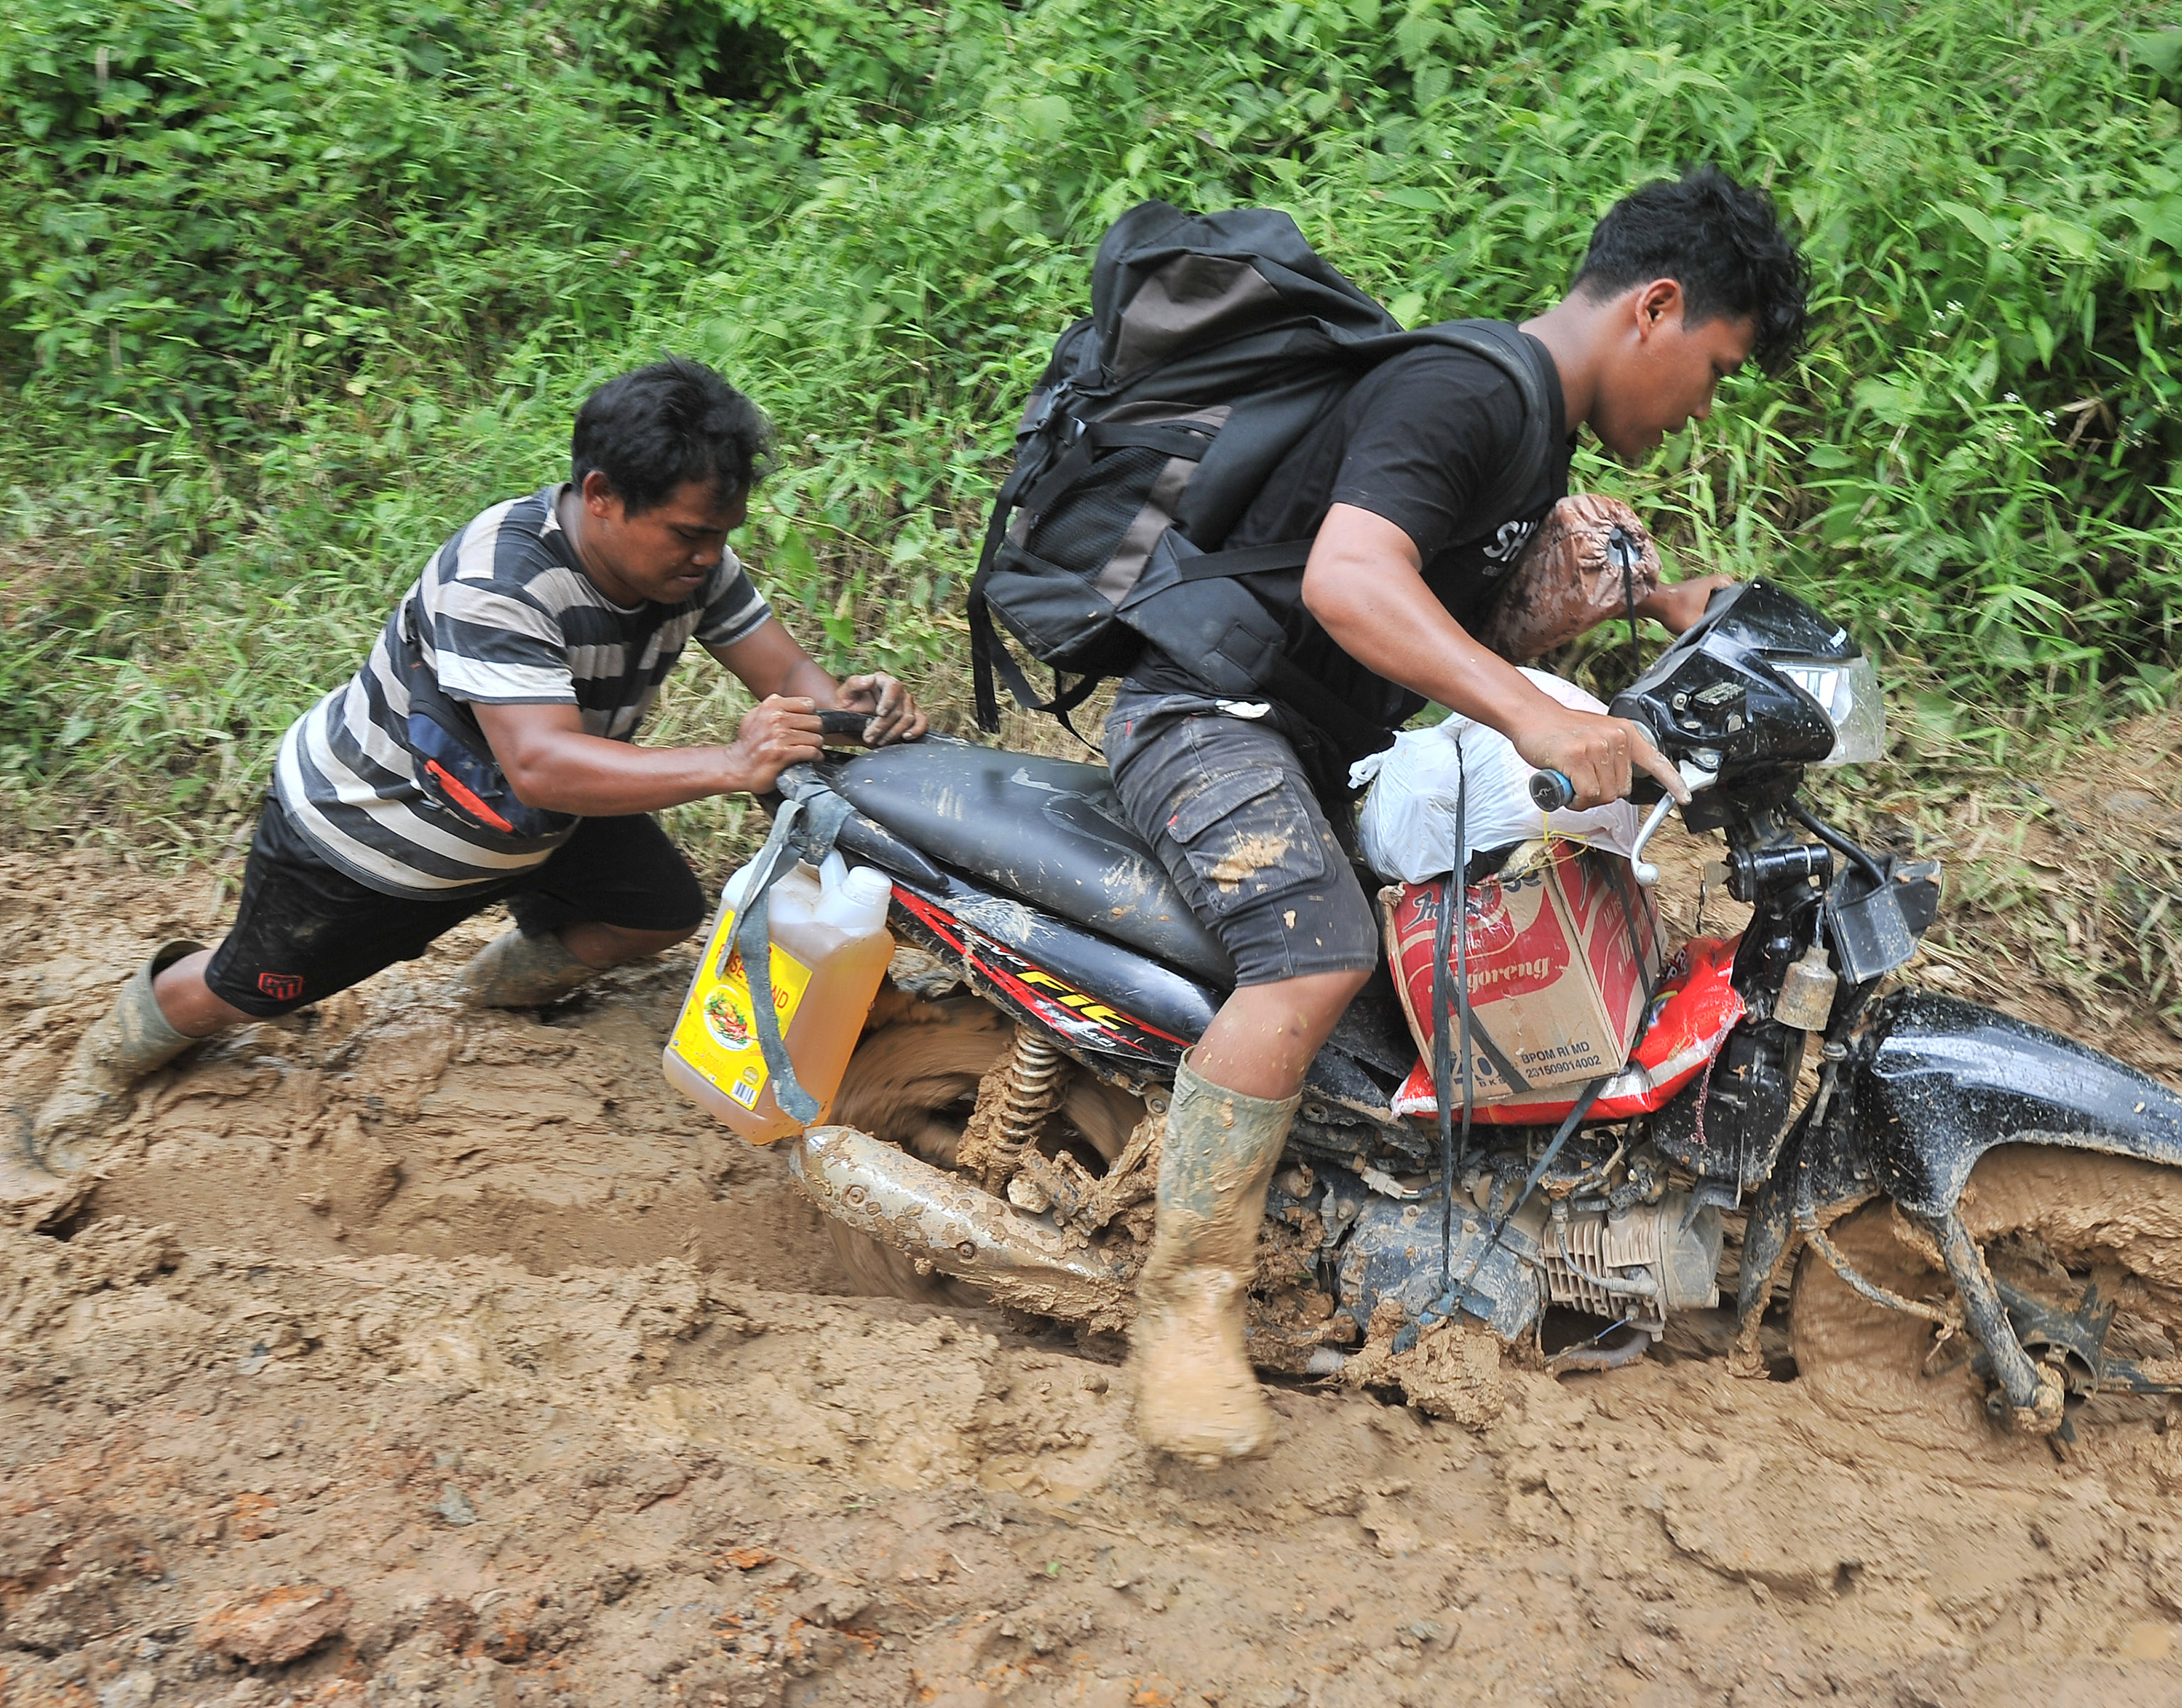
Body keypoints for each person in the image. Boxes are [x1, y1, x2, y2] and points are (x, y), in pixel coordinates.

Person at [1109, 166, 1807, 1462]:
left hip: (1312, 747)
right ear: (1655, 308)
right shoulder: (1473, 387)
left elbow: (1440, 632)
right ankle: (1185, 1306)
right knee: (1317, 951)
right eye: (1714, 370)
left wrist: (1633, 610)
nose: (1704, 408)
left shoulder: (1531, 434)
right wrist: (1542, 719)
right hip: (1207, 721)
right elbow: (1349, 576)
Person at [31, 358, 925, 1170]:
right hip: (372, 835)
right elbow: (539, 763)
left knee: (656, 914)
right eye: (689, 532)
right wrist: (734, 761)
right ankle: (101, 1063)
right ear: (602, 494)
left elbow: (797, 685)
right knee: (243, 991)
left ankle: (486, 993)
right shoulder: (499, 577)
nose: (707, 554)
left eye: (721, 532)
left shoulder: (691, 570)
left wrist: (861, 709)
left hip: (538, 816)